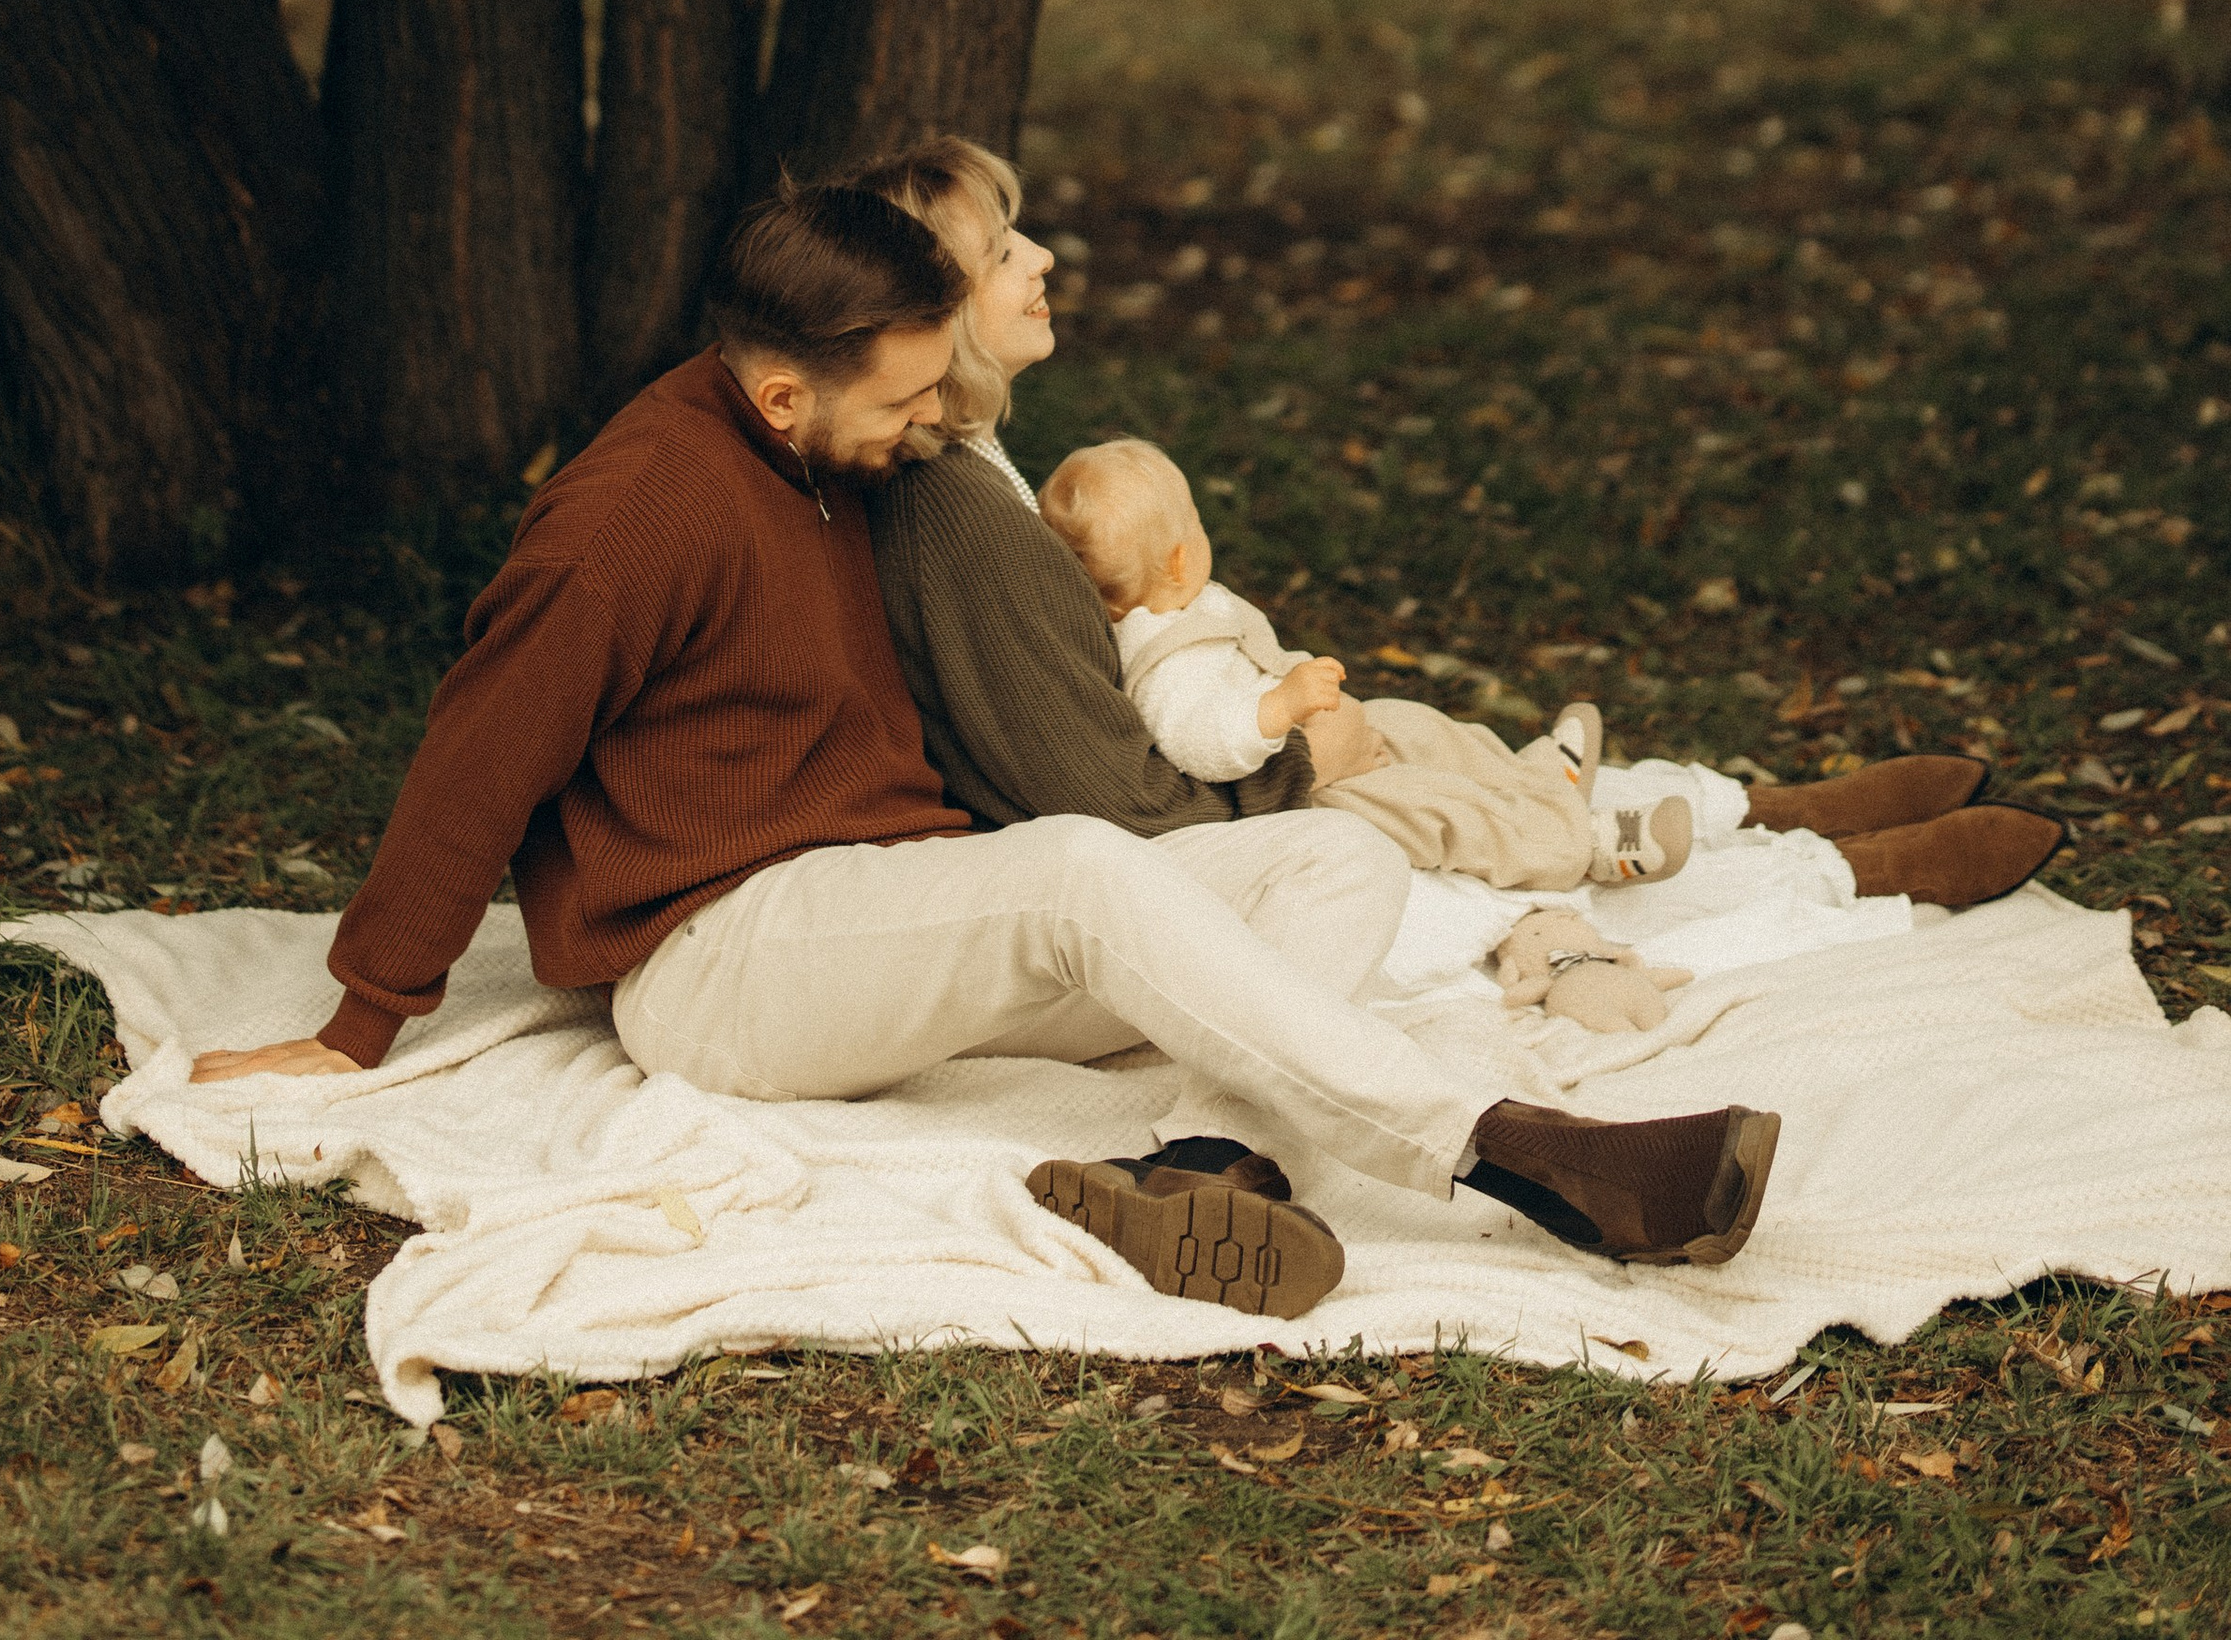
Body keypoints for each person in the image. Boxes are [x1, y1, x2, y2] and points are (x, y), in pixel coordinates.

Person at [191, 176, 1785, 1312]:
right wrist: (357, 1023)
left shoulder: (834, 452)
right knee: (1087, 876)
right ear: (773, 394)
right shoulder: (628, 522)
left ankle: (1207, 1172)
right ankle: (1522, 1157)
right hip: (719, 958)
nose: (934, 425)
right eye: (901, 402)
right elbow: (480, 752)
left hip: (892, 913)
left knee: (1328, 847)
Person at [859, 135, 2067, 919]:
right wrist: (1291, 758)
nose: (1045, 256)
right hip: (1206, 835)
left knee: (1435, 741)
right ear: (937, 306)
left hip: (1223, 773)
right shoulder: (957, 513)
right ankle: (1830, 878)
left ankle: (1758, 808)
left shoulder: (974, 462)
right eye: (1006, 250)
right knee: (1472, 854)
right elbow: (1107, 802)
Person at [1037, 432, 1693, 889]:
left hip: (1318, 746)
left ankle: (1536, 779)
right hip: (1309, 795)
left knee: (1414, 725)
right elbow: (1201, 742)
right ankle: (1583, 849)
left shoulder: (1172, 606)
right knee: (1431, 809)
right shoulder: (1164, 664)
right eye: (1197, 522)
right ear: (1182, 556)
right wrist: (1280, 707)